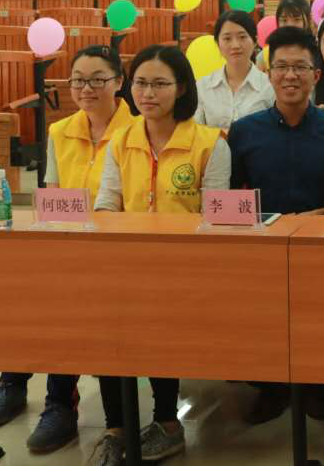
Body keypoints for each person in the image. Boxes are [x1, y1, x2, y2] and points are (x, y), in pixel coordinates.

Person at [0, 46, 134, 454]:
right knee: (27, 287)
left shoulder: (136, 131)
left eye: (98, 79)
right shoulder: (59, 130)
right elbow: (52, 197)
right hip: (69, 242)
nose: (86, 88)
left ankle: (59, 401)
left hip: (117, 248)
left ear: (119, 82)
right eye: (78, 80)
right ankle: (13, 380)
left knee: (73, 299)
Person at [91, 45, 229, 465]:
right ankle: (116, 429)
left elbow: (215, 216)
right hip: (127, 260)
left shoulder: (209, 143)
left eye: (159, 84)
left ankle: (167, 423)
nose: (147, 93)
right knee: (108, 320)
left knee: (156, 318)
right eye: (140, 83)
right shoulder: (120, 140)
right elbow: (106, 203)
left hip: (187, 266)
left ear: (181, 87)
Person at [230, 26, 324, 425]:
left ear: (316, 75)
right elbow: (230, 196)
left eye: (300, 67)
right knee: (257, 312)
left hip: (323, 245)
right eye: (281, 67)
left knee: (319, 314)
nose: (290, 75)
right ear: (268, 74)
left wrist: (316, 219)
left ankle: (314, 383)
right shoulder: (244, 130)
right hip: (260, 246)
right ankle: (271, 386)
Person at [195, 10, 274, 131]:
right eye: (227, 39)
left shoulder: (270, 87)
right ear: (218, 44)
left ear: (254, 41)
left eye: (242, 37)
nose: (235, 45)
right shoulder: (203, 87)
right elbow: (197, 132)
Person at [256, 0, 313, 71]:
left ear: (308, 20)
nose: (289, 25)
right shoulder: (266, 54)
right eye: (284, 20)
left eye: (297, 19)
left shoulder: (316, 51)